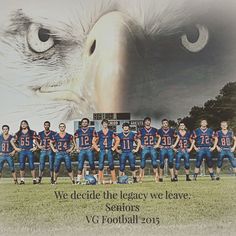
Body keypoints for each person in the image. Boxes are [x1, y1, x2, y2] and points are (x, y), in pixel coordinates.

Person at [92, 119, 119, 184]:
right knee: (101, 165)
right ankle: (99, 180)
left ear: (108, 124)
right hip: (102, 150)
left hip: (109, 149)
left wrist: (114, 148)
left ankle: (114, 180)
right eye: (104, 123)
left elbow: (118, 140)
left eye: (106, 123)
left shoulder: (111, 132)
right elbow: (93, 141)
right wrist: (97, 148)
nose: (105, 124)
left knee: (111, 165)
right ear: (102, 124)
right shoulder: (98, 133)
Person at [13, 120, 38, 184]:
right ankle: (22, 180)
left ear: (27, 124)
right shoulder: (18, 133)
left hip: (29, 150)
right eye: (22, 124)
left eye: (24, 124)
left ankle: (34, 180)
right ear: (20, 125)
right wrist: (16, 148)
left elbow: (37, 140)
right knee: (21, 166)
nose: (23, 125)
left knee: (32, 165)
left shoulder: (32, 132)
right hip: (22, 151)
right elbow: (12, 141)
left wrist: (36, 147)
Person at [74, 118, 97, 184]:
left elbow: (97, 138)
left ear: (88, 123)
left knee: (92, 164)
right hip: (82, 149)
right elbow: (74, 138)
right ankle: (78, 180)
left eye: (86, 122)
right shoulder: (78, 131)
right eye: (83, 122)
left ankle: (95, 179)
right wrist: (76, 147)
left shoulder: (91, 130)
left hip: (89, 148)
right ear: (81, 123)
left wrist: (93, 146)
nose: (84, 123)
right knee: (80, 165)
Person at [137, 117, 159, 182]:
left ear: (150, 122)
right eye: (146, 121)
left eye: (148, 121)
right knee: (142, 163)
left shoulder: (154, 130)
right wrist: (140, 145)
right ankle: (140, 177)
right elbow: (136, 138)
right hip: (145, 147)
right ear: (144, 122)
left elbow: (160, 137)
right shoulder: (141, 130)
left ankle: (156, 177)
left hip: (152, 147)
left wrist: (157, 144)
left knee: (154, 163)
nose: (147, 122)